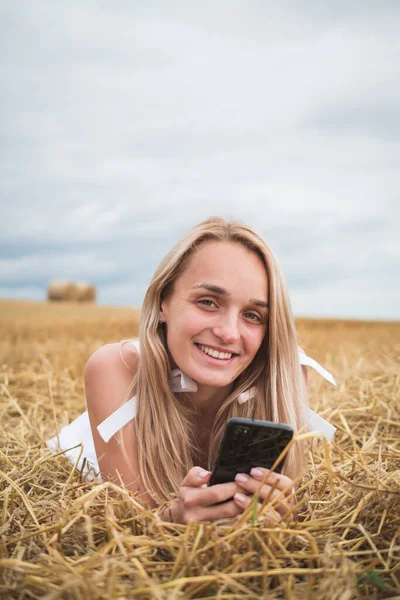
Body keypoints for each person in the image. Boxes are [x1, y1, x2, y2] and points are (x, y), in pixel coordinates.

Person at [47, 217, 336, 523]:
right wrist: (173, 518)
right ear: (163, 302)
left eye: (252, 315)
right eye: (208, 302)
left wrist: (276, 512)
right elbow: (134, 521)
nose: (228, 333)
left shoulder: (285, 375)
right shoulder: (116, 368)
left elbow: (278, 498)